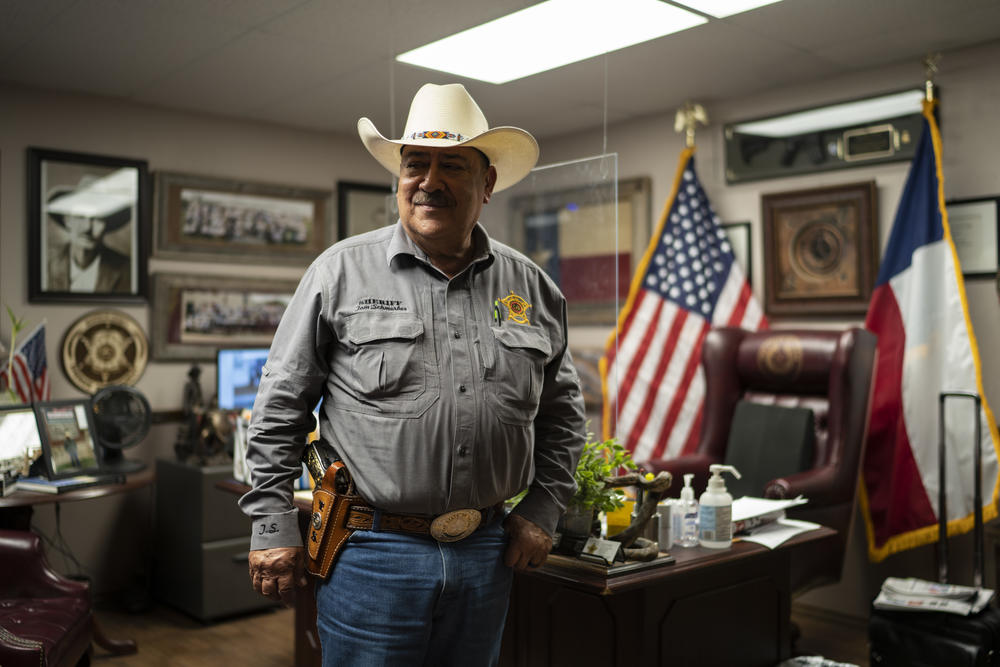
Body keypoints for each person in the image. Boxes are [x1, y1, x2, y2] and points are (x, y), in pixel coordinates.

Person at [240, 82, 586, 666]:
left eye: (452, 165)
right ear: (399, 179)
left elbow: (562, 415)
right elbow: (280, 406)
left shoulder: (532, 287)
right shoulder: (340, 273)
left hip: (486, 551)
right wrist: (272, 525)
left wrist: (544, 509)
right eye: (414, 164)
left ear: (487, 184)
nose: (429, 181)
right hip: (372, 553)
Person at [45, 174, 133, 294]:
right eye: (80, 216)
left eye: (98, 219)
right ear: (67, 220)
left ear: (107, 224)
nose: (87, 228)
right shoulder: (47, 266)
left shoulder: (127, 270)